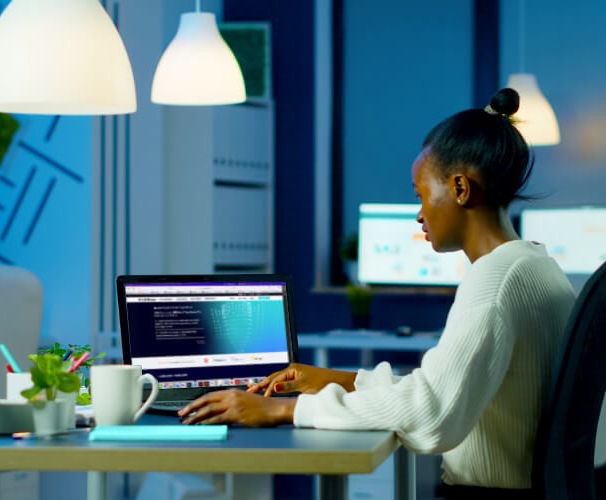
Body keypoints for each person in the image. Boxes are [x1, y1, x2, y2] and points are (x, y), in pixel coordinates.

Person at [178, 88, 576, 498]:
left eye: (422, 194)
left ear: (460, 188)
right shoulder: (534, 266)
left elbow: (433, 412)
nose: (420, 212)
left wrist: (285, 409)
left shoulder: (494, 281)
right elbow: (441, 386)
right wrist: (342, 381)